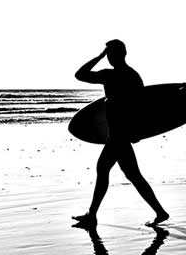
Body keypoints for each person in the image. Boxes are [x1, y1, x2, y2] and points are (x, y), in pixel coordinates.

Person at [72, 40, 169, 227]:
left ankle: (92, 216)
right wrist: (139, 130)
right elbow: (143, 106)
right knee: (132, 175)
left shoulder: (110, 75)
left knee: (105, 170)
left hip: (118, 135)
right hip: (123, 133)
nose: (108, 57)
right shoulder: (133, 76)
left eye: (109, 54)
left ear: (114, 55)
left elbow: (80, 75)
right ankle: (160, 212)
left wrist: (98, 57)